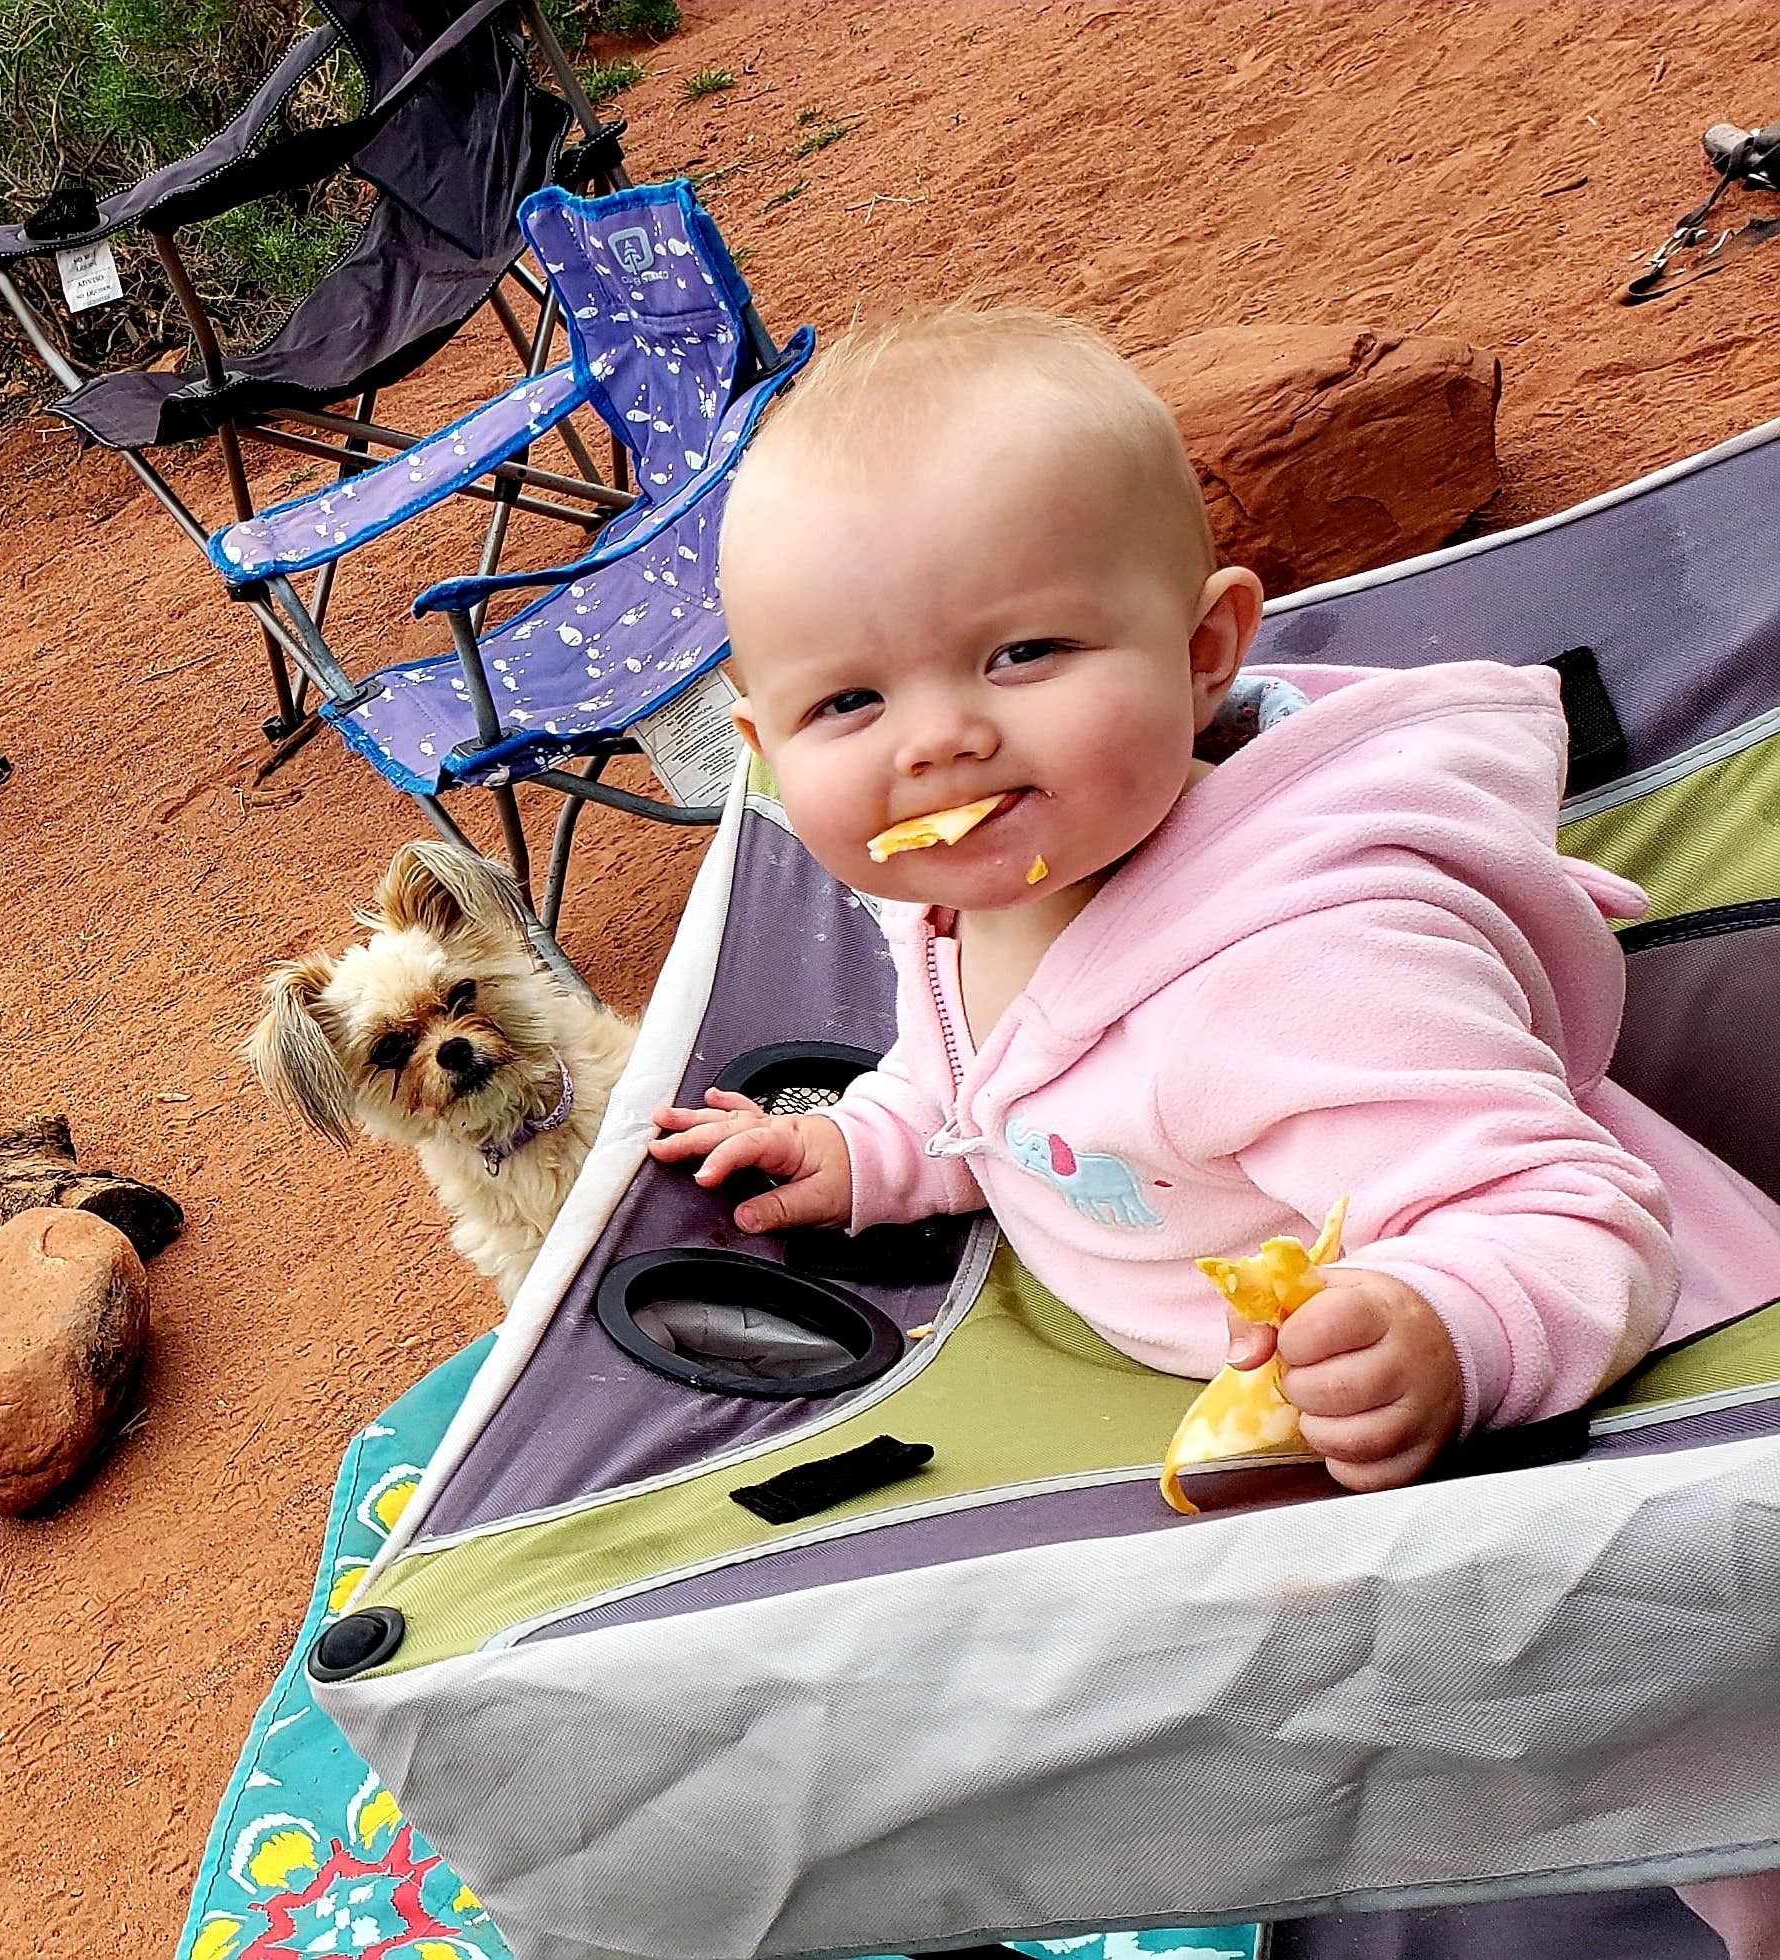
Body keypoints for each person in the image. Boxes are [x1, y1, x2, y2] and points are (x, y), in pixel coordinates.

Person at [649, 306, 1780, 1498]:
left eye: (1023, 652)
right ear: (763, 747)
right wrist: (873, 1143)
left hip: (1614, 1432)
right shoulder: (976, 881)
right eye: (847, 705)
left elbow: (1571, 1213)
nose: (939, 742)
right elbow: (980, 1071)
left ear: (1205, 654)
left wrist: (1449, 1331)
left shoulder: (1298, 971)